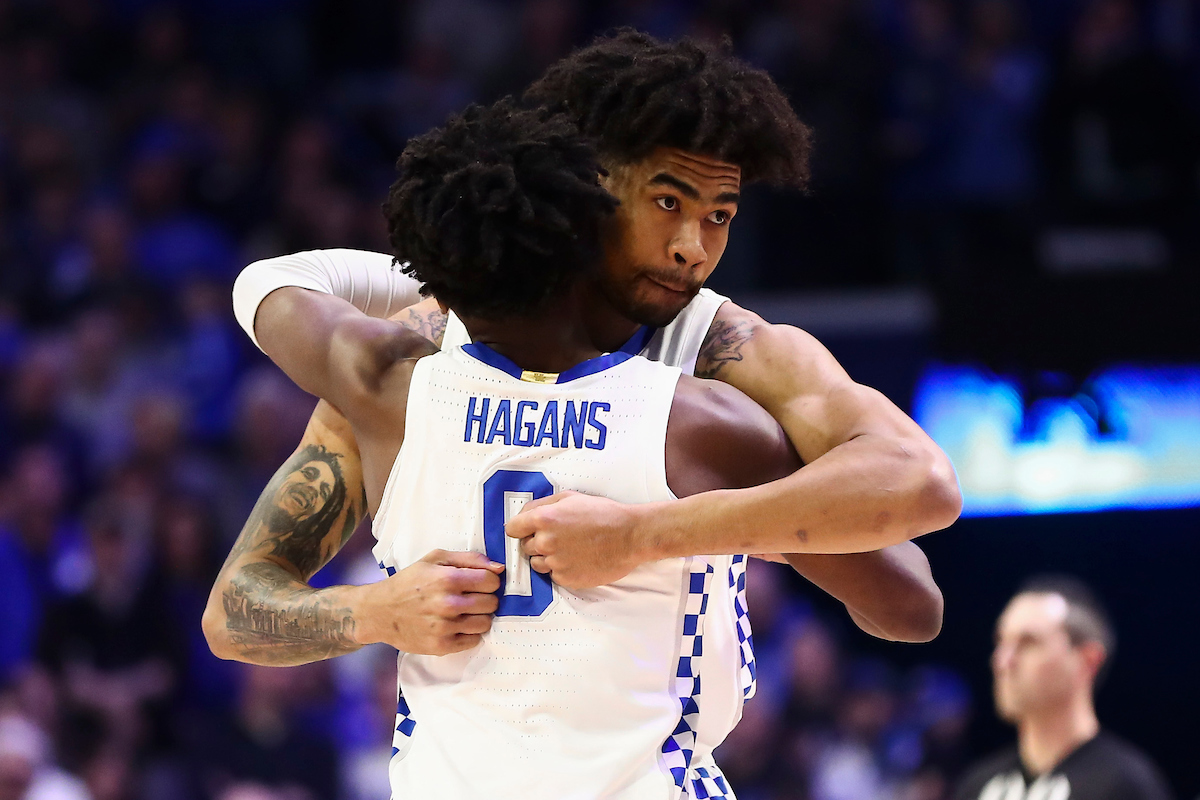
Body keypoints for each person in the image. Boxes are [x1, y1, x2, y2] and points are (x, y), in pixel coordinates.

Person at [203, 29, 959, 676]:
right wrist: (371, 612)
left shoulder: (727, 354)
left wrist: (649, 534)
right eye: (669, 205)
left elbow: (914, 532)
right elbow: (234, 612)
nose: (693, 249)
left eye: (719, 216)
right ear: (590, 187)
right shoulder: (423, 350)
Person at [220, 96, 831, 798]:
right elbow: (902, 590)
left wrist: (377, 612)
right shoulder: (695, 409)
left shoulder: (384, 389)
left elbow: (265, 283)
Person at [953, 576, 1173, 800]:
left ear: (1087, 661)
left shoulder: (1126, 785)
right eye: (1001, 642)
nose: (1002, 661)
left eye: (1028, 642)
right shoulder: (977, 785)